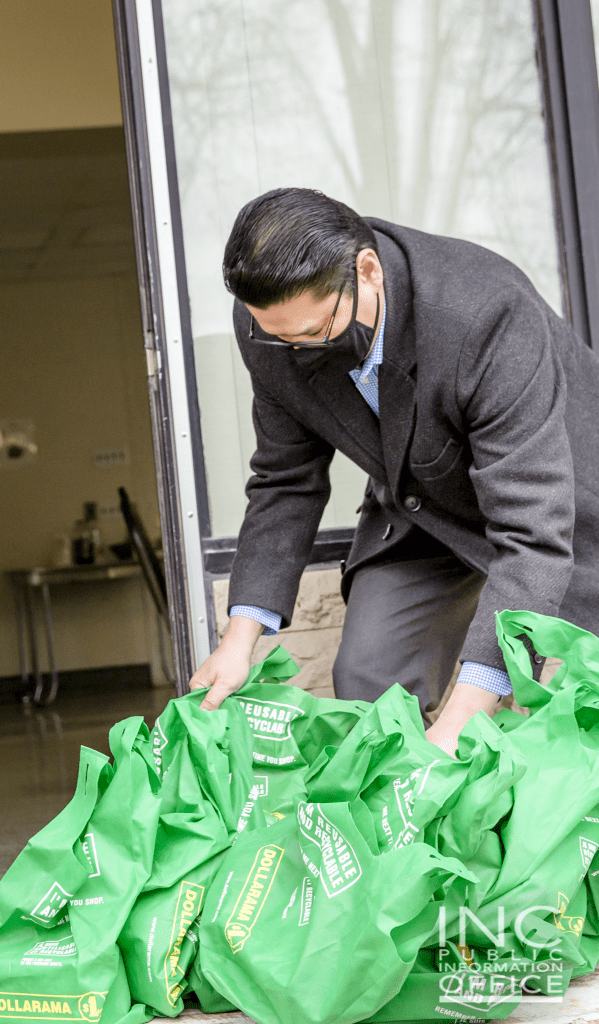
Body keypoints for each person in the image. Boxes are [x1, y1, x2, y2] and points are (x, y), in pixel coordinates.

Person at [189, 187, 599, 756]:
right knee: (369, 686)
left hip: (562, 503)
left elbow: (533, 535)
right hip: (422, 505)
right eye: (280, 337)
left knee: (564, 706)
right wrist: (239, 641)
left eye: (314, 333)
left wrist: (462, 715)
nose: (296, 351)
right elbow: (285, 481)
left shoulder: (485, 312)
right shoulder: (275, 322)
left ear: (368, 271)